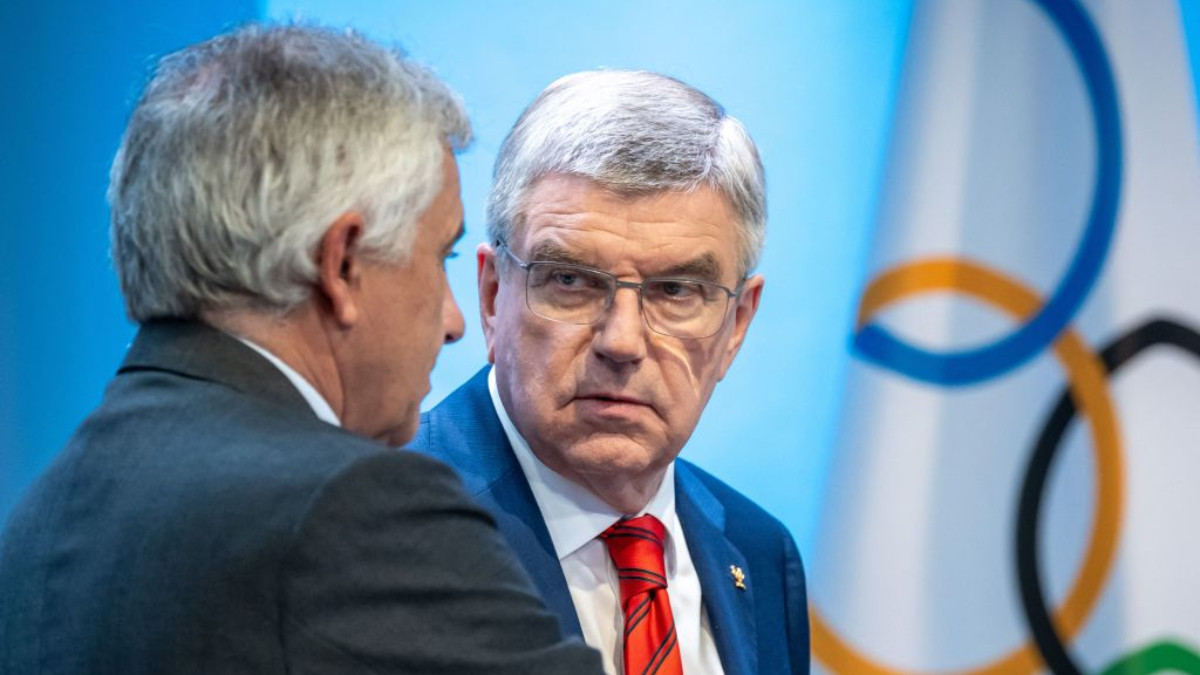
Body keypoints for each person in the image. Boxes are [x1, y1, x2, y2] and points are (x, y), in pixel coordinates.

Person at [0, 24, 601, 675]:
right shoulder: (353, 509)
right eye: (440, 255)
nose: (454, 321)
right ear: (341, 265)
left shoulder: (38, 520)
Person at [410, 70, 810, 674]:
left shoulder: (760, 551)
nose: (621, 342)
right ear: (493, 298)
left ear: (737, 325)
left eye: (677, 290)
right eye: (570, 280)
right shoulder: (377, 524)